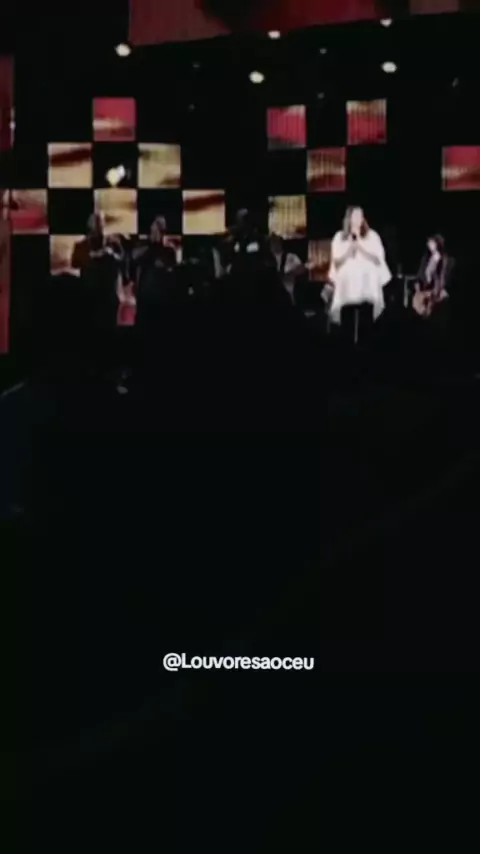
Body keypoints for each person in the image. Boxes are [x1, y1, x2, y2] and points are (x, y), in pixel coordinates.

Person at [328, 206, 391, 343]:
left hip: (366, 287)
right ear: (349, 218)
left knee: (365, 323)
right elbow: (336, 263)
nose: (358, 219)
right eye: (355, 216)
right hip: (347, 288)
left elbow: (378, 259)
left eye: (360, 216)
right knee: (347, 324)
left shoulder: (372, 236)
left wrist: (360, 248)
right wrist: (349, 250)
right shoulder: (339, 237)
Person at [71, 212, 125, 332]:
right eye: (95, 224)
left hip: (109, 297)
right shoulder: (81, 245)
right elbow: (74, 263)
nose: (98, 228)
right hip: (89, 297)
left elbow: (122, 259)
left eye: (100, 224)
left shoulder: (112, 243)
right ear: (89, 227)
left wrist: (111, 253)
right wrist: (93, 256)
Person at [412, 234, 454, 318]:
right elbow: (420, 275)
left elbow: (448, 282)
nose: (428, 244)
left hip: (438, 296)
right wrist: (418, 286)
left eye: (431, 242)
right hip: (425, 292)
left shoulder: (448, 260)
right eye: (429, 242)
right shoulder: (426, 258)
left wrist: (440, 295)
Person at [267, 234, 308, 305]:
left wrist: (290, 274)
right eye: (272, 242)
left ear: (280, 243)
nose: (274, 244)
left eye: (276, 242)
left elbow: (302, 269)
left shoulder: (291, 256)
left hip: (288, 293)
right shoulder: (265, 259)